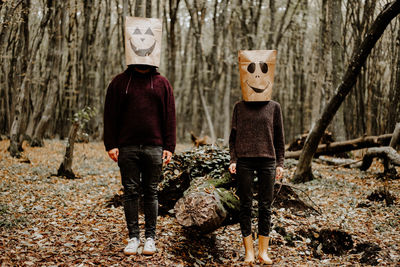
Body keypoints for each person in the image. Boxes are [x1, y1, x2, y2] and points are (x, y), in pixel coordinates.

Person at [103, 62, 176, 256]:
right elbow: (109, 115)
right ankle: (134, 238)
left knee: (151, 191)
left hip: (154, 147)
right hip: (127, 147)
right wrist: (110, 144)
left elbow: (170, 116)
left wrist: (169, 146)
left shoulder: (162, 83)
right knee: (130, 192)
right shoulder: (119, 83)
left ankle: (150, 238)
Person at [229, 50, 284, 265]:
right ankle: (249, 252)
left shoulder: (274, 107)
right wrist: (233, 159)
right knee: (245, 205)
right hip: (244, 160)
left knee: (265, 206)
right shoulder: (239, 107)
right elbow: (232, 138)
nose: (258, 78)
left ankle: (263, 252)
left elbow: (280, 138)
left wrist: (280, 163)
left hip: (268, 161)